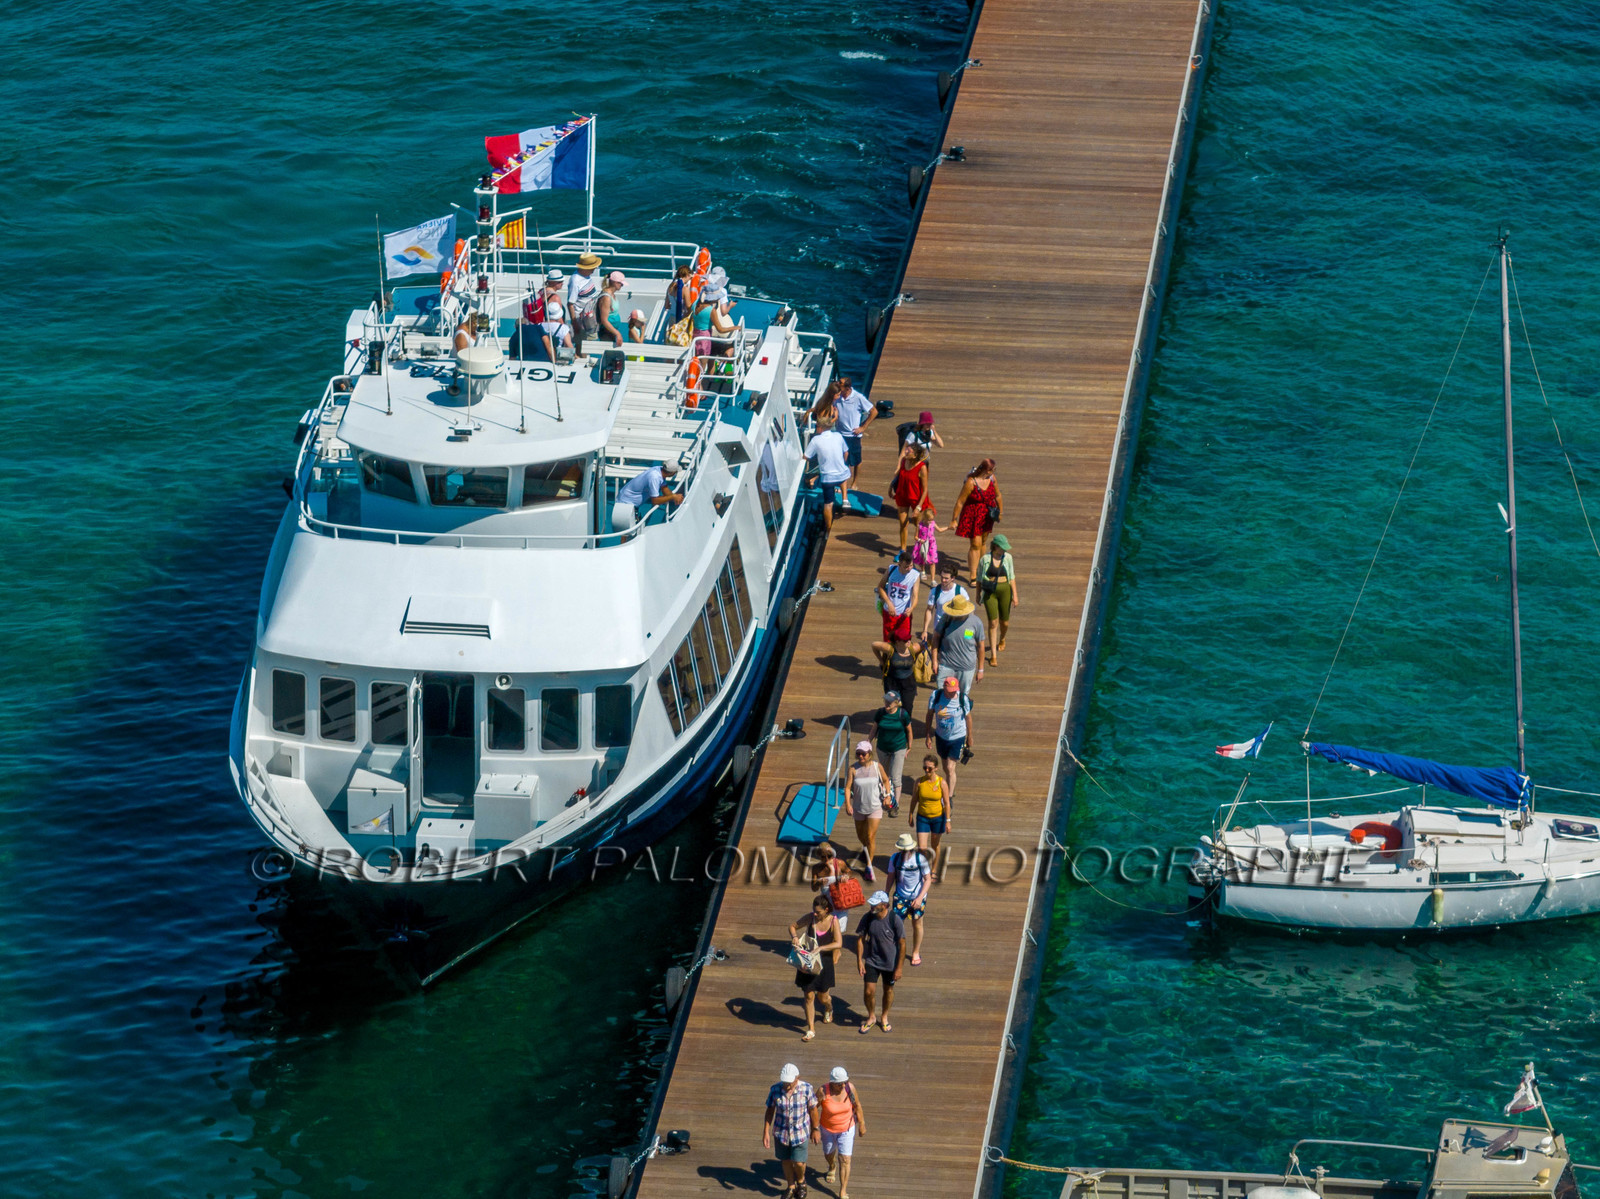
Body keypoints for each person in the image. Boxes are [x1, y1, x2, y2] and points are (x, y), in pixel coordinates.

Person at [790, 895, 843, 1041]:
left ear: (826, 910)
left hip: (824, 963)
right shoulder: (810, 918)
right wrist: (794, 937)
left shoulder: (833, 921)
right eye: (814, 911)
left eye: (818, 912)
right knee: (808, 995)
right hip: (808, 962)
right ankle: (811, 1029)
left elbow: (838, 943)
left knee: (823, 997)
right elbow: (792, 926)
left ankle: (828, 1008)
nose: (815, 914)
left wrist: (821, 948)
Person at [764, 1063, 820, 1199]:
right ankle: (790, 1185)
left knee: (799, 1162)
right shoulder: (775, 1089)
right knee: (786, 1160)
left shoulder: (806, 1089)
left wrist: (815, 1129)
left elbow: (813, 1110)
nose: (786, 1085)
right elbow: (770, 1110)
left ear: (797, 1078)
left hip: (800, 1132)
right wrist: (766, 1131)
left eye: (789, 1082)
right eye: (784, 1082)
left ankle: (801, 1182)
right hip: (781, 1132)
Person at [854, 891, 905, 1033]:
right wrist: (859, 961)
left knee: (888, 990)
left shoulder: (895, 919)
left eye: (875, 904)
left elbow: (902, 943)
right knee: (869, 992)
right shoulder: (868, 918)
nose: (871, 906)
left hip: (890, 963)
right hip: (872, 960)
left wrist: (899, 967)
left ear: (884, 905)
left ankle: (884, 1017)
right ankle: (871, 1017)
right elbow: (860, 939)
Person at [952, 458, 1003, 585]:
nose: (993, 472)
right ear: (985, 470)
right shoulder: (971, 482)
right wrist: (954, 519)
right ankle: (973, 574)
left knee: (983, 542)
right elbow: (960, 501)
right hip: (973, 515)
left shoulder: (992, 479)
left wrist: (1000, 511)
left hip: (987, 515)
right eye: (992, 470)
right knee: (975, 544)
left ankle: (982, 569)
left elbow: (998, 495)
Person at [818, 1067, 866, 1199]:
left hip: (847, 1128)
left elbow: (857, 1105)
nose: (843, 1085)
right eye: (840, 1084)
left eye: (845, 1082)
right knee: (828, 1153)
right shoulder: (823, 1091)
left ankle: (843, 1191)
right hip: (827, 1129)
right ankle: (831, 1166)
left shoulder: (850, 1088)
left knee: (845, 1159)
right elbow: (813, 1109)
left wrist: (862, 1124)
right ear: (832, 1083)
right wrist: (813, 1128)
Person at [887, 831, 933, 965]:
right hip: (900, 896)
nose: (905, 852)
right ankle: (897, 949)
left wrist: (919, 898)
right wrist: (886, 893)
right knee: (896, 925)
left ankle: (915, 951)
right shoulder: (894, 859)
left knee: (917, 924)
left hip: (917, 897)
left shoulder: (920, 859)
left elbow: (928, 879)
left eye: (907, 849)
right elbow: (891, 876)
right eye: (903, 850)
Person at [848, 740, 890, 881]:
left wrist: (888, 796)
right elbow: (847, 788)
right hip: (859, 807)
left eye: (863, 754)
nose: (860, 756)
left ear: (869, 753)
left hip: (875, 806)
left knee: (870, 836)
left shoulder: (877, 767)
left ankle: (869, 866)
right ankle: (867, 849)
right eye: (858, 753)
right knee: (862, 836)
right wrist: (848, 804)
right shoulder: (853, 769)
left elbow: (885, 780)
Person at [926, 677, 973, 797]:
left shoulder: (962, 699)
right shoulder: (936, 696)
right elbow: (929, 714)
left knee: (950, 767)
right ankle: (950, 785)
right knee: (945, 767)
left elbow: (968, 718)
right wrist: (927, 734)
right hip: (941, 736)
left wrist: (970, 736)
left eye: (954, 690)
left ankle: (949, 797)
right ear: (944, 688)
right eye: (950, 690)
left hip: (958, 737)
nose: (952, 693)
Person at [978, 533, 1020, 664]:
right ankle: (993, 656)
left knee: (1004, 622)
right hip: (990, 592)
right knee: (992, 623)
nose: (1004, 550)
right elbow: (979, 578)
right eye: (1002, 548)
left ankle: (1002, 638)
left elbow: (1011, 577)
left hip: (1005, 590)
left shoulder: (1008, 558)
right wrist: (978, 593)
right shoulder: (985, 559)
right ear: (995, 547)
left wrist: (1015, 595)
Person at [831, 377, 875, 503]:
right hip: (840, 433)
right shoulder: (837, 396)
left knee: (856, 460)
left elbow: (873, 411)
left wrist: (863, 427)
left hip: (853, 435)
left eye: (841, 384)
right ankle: (840, 483)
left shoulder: (858, 397)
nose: (838, 386)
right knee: (840, 459)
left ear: (848, 388)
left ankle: (855, 482)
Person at [932, 594, 986, 695]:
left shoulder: (976, 622)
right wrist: (934, 661)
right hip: (946, 665)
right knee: (941, 694)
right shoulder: (946, 619)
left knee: (962, 696)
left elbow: (981, 647)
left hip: (966, 667)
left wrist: (981, 669)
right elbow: (935, 638)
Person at [804, 417, 851, 532]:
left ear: (820, 428)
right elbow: (846, 452)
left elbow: (806, 456)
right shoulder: (838, 436)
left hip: (828, 478)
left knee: (828, 504)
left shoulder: (816, 440)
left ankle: (829, 527)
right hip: (841, 474)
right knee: (843, 473)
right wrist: (843, 463)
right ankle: (845, 499)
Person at [612, 459, 683, 532]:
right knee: (627, 532)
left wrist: (675, 497)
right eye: (676, 472)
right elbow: (655, 501)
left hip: (629, 501)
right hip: (625, 503)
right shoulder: (655, 477)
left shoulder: (659, 470)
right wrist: (673, 497)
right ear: (671, 473)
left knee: (632, 531)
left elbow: (664, 488)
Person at [872, 691, 913, 815]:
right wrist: (868, 741)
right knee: (884, 776)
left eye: (889, 701)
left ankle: (895, 805)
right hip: (882, 748)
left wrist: (909, 746)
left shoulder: (902, 714)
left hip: (898, 748)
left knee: (895, 778)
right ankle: (884, 798)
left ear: (897, 703)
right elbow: (874, 729)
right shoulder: (880, 713)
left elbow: (909, 731)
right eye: (885, 700)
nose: (886, 703)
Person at [908, 752, 952, 860]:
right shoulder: (919, 782)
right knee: (922, 848)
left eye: (930, 768)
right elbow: (914, 799)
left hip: (938, 818)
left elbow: (947, 803)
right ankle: (925, 872)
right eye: (925, 768)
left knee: (934, 845)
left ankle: (933, 870)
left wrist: (948, 821)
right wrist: (910, 814)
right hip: (922, 817)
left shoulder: (942, 783)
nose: (927, 770)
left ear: (936, 768)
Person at [870, 636, 922, 723]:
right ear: (897, 642)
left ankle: (906, 726)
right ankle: (892, 724)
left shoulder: (913, 648)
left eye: (909, 639)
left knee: (908, 706)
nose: (908, 641)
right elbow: (874, 645)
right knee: (891, 704)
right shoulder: (890, 648)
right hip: (892, 681)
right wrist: (881, 661)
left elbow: (926, 645)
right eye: (905, 640)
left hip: (908, 681)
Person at [874, 550, 919, 643]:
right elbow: (880, 587)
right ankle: (887, 657)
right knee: (888, 642)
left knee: (904, 642)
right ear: (899, 564)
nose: (909, 569)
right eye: (906, 567)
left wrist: (912, 608)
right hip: (889, 613)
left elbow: (915, 595)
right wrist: (889, 603)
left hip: (904, 615)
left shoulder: (915, 575)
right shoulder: (891, 569)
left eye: (911, 565)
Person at [891, 444, 929, 552]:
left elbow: (925, 489)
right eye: (906, 450)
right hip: (902, 495)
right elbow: (898, 475)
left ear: (915, 455)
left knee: (918, 525)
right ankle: (903, 550)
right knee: (903, 523)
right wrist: (891, 487)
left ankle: (919, 548)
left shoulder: (921, 467)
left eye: (909, 451)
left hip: (916, 499)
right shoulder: (904, 461)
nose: (906, 452)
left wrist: (918, 507)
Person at [922, 564, 970, 642]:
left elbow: (969, 613)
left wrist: (968, 636)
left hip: (955, 630)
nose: (943, 580)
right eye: (942, 577)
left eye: (946, 578)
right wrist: (925, 631)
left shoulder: (960, 591)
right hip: (939, 631)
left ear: (953, 578)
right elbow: (929, 610)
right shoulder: (935, 591)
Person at [566, 251, 604, 346]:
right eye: (592, 267)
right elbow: (570, 303)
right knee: (583, 345)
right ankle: (581, 359)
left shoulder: (586, 276)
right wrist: (575, 323)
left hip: (590, 316)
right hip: (581, 320)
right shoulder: (575, 281)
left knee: (588, 343)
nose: (594, 269)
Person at [911, 506, 944, 585]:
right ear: (924, 518)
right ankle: (923, 571)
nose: (930, 522)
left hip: (931, 544)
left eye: (932, 520)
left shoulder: (933, 524)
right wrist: (919, 540)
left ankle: (933, 580)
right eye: (929, 520)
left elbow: (939, 530)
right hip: (922, 544)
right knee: (922, 559)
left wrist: (949, 528)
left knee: (932, 562)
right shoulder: (920, 525)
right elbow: (915, 537)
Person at [595, 271, 627, 347]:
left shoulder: (612, 294)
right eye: (620, 283)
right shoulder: (606, 298)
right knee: (609, 354)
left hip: (611, 331)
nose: (622, 285)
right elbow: (604, 320)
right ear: (615, 283)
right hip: (606, 332)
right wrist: (617, 333)